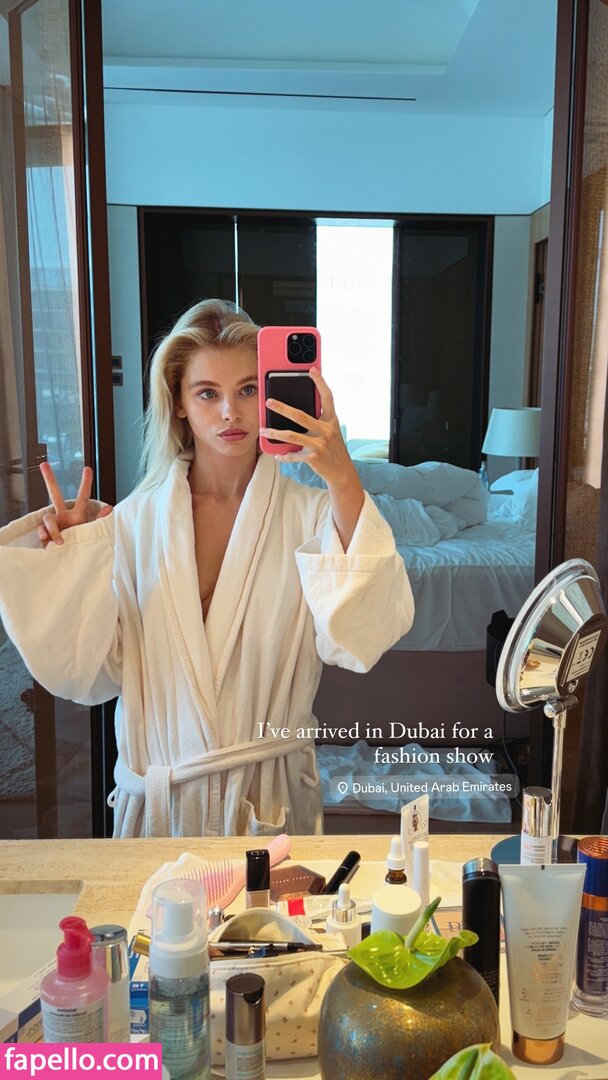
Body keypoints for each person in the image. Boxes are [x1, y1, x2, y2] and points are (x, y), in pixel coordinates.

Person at [0, 300, 414, 837]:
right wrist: (75, 562)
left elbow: (360, 638)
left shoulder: (313, 517)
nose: (229, 413)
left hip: (268, 805)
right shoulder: (133, 522)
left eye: (247, 390)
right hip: (162, 811)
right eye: (207, 393)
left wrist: (342, 478)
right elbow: (91, 673)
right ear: (177, 402)